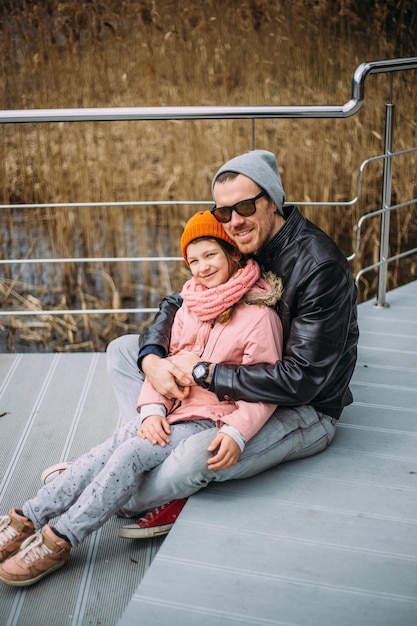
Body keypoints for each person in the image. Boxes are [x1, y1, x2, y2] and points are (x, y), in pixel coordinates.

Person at [0, 210, 283, 587]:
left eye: (210, 255)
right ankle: (28, 517)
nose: (201, 267)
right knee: (109, 448)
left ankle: (60, 538)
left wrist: (236, 432)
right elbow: (162, 367)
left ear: (234, 254)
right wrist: (151, 410)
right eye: (193, 260)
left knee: (131, 454)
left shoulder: (259, 317)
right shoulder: (191, 307)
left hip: (209, 419)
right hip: (172, 408)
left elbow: (264, 389)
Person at [104, 148, 359, 539]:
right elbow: (179, 300)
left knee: (194, 459)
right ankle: (142, 447)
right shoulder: (238, 242)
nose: (234, 221)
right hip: (223, 394)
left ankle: (122, 487)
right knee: (124, 350)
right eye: (224, 211)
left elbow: (303, 380)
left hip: (302, 408)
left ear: (272, 202)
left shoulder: (318, 268)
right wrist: (153, 359)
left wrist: (204, 373)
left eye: (245, 206)